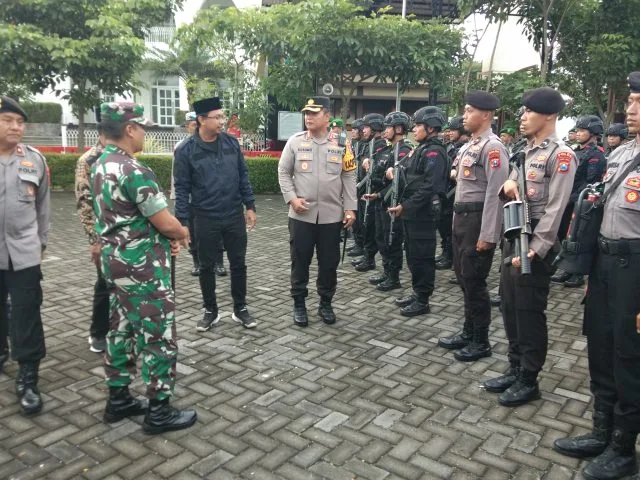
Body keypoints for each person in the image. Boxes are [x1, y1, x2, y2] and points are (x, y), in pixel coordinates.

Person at [553, 72, 640, 480]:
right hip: (605, 265)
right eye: (631, 100)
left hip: (635, 271)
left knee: (630, 358)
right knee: (600, 348)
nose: (631, 109)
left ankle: (623, 449)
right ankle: (601, 432)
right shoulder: (624, 153)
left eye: (639, 102)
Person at [92, 101, 196, 433]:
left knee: (120, 329)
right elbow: (164, 221)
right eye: (142, 128)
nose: (144, 134)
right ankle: (159, 411)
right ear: (129, 129)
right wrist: (181, 232)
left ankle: (119, 398)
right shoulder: (133, 170)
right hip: (142, 268)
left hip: (115, 264)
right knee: (158, 335)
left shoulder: (100, 164)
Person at [482, 87, 576, 406]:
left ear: (548, 115)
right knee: (509, 307)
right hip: (515, 236)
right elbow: (512, 186)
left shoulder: (560, 155)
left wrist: (537, 247)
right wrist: (509, 183)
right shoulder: (525, 152)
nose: (522, 117)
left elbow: (556, 208)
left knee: (529, 312)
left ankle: (529, 378)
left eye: (529, 112)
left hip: (534, 243)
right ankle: (514, 366)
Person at [174, 97, 258, 331]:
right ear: (201, 120)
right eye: (217, 117)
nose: (222, 121)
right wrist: (182, 222)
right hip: (204, 217)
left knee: (238, 263)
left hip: (233, 214)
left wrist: (250, 206)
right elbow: (181, 188)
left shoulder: (231, 143)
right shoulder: (186, 150)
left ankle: (240, 308)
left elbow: (243, 175)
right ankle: (210, 310)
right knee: (206, 266)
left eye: (223, 116)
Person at [437, 91, 509, 361]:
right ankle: (468, 332)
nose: (464, 116)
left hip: (477, 221)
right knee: (464, 279)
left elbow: (495, 194)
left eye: (469, 111)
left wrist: (489, 234)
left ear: (486, 114)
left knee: (475, 282)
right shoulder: (470, 145)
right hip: (462, 219)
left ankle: (481, 340)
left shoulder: (493, 147)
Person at [277, 96, 357, 327]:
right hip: (301, 215)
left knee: (329, 263)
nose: (308, 117)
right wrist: (292, 199)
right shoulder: (295, 142)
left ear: (327, 116)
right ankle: (299, 303)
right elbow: (283, 172)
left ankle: (326, 303)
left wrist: (350, 208)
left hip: (332, 216)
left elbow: (349, 175)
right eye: (306, 113)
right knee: (300, 261)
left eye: (314, 113)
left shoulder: (342, 143)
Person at [0, 96, 50, 416]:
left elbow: (43, 207)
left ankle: (28, 378)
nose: (15, 127)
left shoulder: (34, 160)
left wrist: (40, 244)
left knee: (26, 313)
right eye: (8, 120)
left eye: (20, 122)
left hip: (25, 252)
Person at [388, 107, 448, 316]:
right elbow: (408, 173)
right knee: (413, 256)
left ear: (430, 128)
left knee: (422, 258)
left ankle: (423, 299)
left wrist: (405, 206)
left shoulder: (435, 152)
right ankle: (417, 292)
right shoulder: (421, 148)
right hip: (413, 213)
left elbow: (429, 187)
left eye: (418, 125)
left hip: (423, 214)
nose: (414, 129)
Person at [552, 115, 606, 288]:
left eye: (583, 131)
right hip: (568, 199)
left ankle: (578, 274)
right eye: (578, 130)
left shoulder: (596, 155)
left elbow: (590, 182)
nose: (578, 133)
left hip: (581, 202)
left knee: (579, 237)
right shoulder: (575, 151)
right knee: (566, 235)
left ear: (593, 133)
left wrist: (574, 198)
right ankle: (568, 268)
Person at [361, 111, 412, 292]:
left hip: (394, 204)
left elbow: (401, 182)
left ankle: (394, 276)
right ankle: (386, 271)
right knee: (381, 238)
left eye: (389, 127)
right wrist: (378, 194)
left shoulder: (404, 151)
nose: (385, 131)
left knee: (392, 240)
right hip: (383, 201)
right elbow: (384, 179)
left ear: (398, 128)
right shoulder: (390, 149)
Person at [75, 125, 109, 354]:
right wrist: (94, 240)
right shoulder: (88, 160)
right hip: (103, 235)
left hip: (125, 236)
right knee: (104, 284)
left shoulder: (125, 156)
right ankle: (98, 333)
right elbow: (84, 203)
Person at [353, 113, 386, 272]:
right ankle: (367, 255)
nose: (363, 130)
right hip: (364, 189)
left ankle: (369, 257)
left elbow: (378, 170)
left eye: (366, 127)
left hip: (373, 191)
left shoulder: (380, 146)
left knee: (371, 227)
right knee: (364, 224)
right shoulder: (370, 144)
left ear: (374, 128)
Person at [437, 116, 468, 271]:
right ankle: (445, 252)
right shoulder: (451, 146)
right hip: (446, 191)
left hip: (456, 193)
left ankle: (450, 256)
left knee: (451, 227)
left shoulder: (466, 147)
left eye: (453, 130)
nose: (449, 133)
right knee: (444, 225)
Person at [347, 118, 365, 258]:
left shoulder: (366, 145)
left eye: (355, 129)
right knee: (356, 217)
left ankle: (362, 245)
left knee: (361, 218)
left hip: (363, 185)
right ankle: (358, 242)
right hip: (354, 183)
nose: (352, 132)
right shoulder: (353, 143)